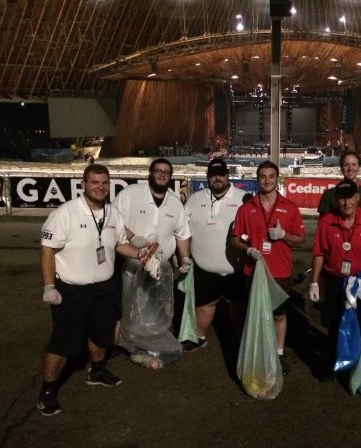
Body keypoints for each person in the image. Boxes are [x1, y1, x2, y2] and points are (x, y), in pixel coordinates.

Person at [37, 164, 147, 416]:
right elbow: (47, 251)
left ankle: (97, 370)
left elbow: (118, 245)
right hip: (71, 289)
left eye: (105, 182)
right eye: (95, 182)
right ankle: (47, 391)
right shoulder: (66, 213)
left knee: (101, 333)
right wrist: (49, 286)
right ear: (83, 184)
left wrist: (142, 255)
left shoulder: (112, 213)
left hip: (104, 287)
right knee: (63, 342)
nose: (100, 187)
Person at [112, 158, 191, 367]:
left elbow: (182, 234)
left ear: (170, 176)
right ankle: (124, 341)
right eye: (158, 171)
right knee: (127, 305)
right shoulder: (130, 194)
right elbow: (113, 220)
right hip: (130, 264)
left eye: (166, 172)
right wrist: (132, 238)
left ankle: (146, 342)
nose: (162, 175)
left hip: (159, 269)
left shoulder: (174, 202)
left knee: (153, 307)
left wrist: (184, 258)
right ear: (150, 173)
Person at [231, 160, 305, 375]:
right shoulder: (246, 209)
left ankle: (279, 353)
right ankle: (255, 353)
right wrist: (248, 250)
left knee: (279, 316)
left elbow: (300, 240)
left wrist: (284, 236)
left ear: (277, 179)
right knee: (253, 314)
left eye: (271, 176)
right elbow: (235, 239)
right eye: (263, 176)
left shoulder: (289, 208)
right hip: (252, 272)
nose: (267, 180)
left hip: (280, 272)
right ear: (257, 179)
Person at [309, 180, 361, 381]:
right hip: (336, 282)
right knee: (333, 324)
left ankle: (355, 369)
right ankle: (331, 364)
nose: (346, 203)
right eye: (342, 198)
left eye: (350, 197)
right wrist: (315, 281)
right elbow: (319, 253)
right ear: (336, 200)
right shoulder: (327, 221)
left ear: (357, 198)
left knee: (359, 325)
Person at [183, 158, 247, 352]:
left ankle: (241, 339)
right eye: (213, 175)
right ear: (208, 177)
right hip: (204, 268)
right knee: (204, 305)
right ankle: (199, 336)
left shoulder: (244, 198)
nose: (217, 178)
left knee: (238, 306)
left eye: (221, 174)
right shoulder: (195, 199)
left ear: (228, 175)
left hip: (235, 269)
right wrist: (182, 256)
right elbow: (182, 230)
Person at [317, 150, 361, 215]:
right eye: (346, 165)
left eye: (354, 165)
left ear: (359, 167)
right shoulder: (329, 195)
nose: (350, 168)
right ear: (341, 167)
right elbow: (323, 222)